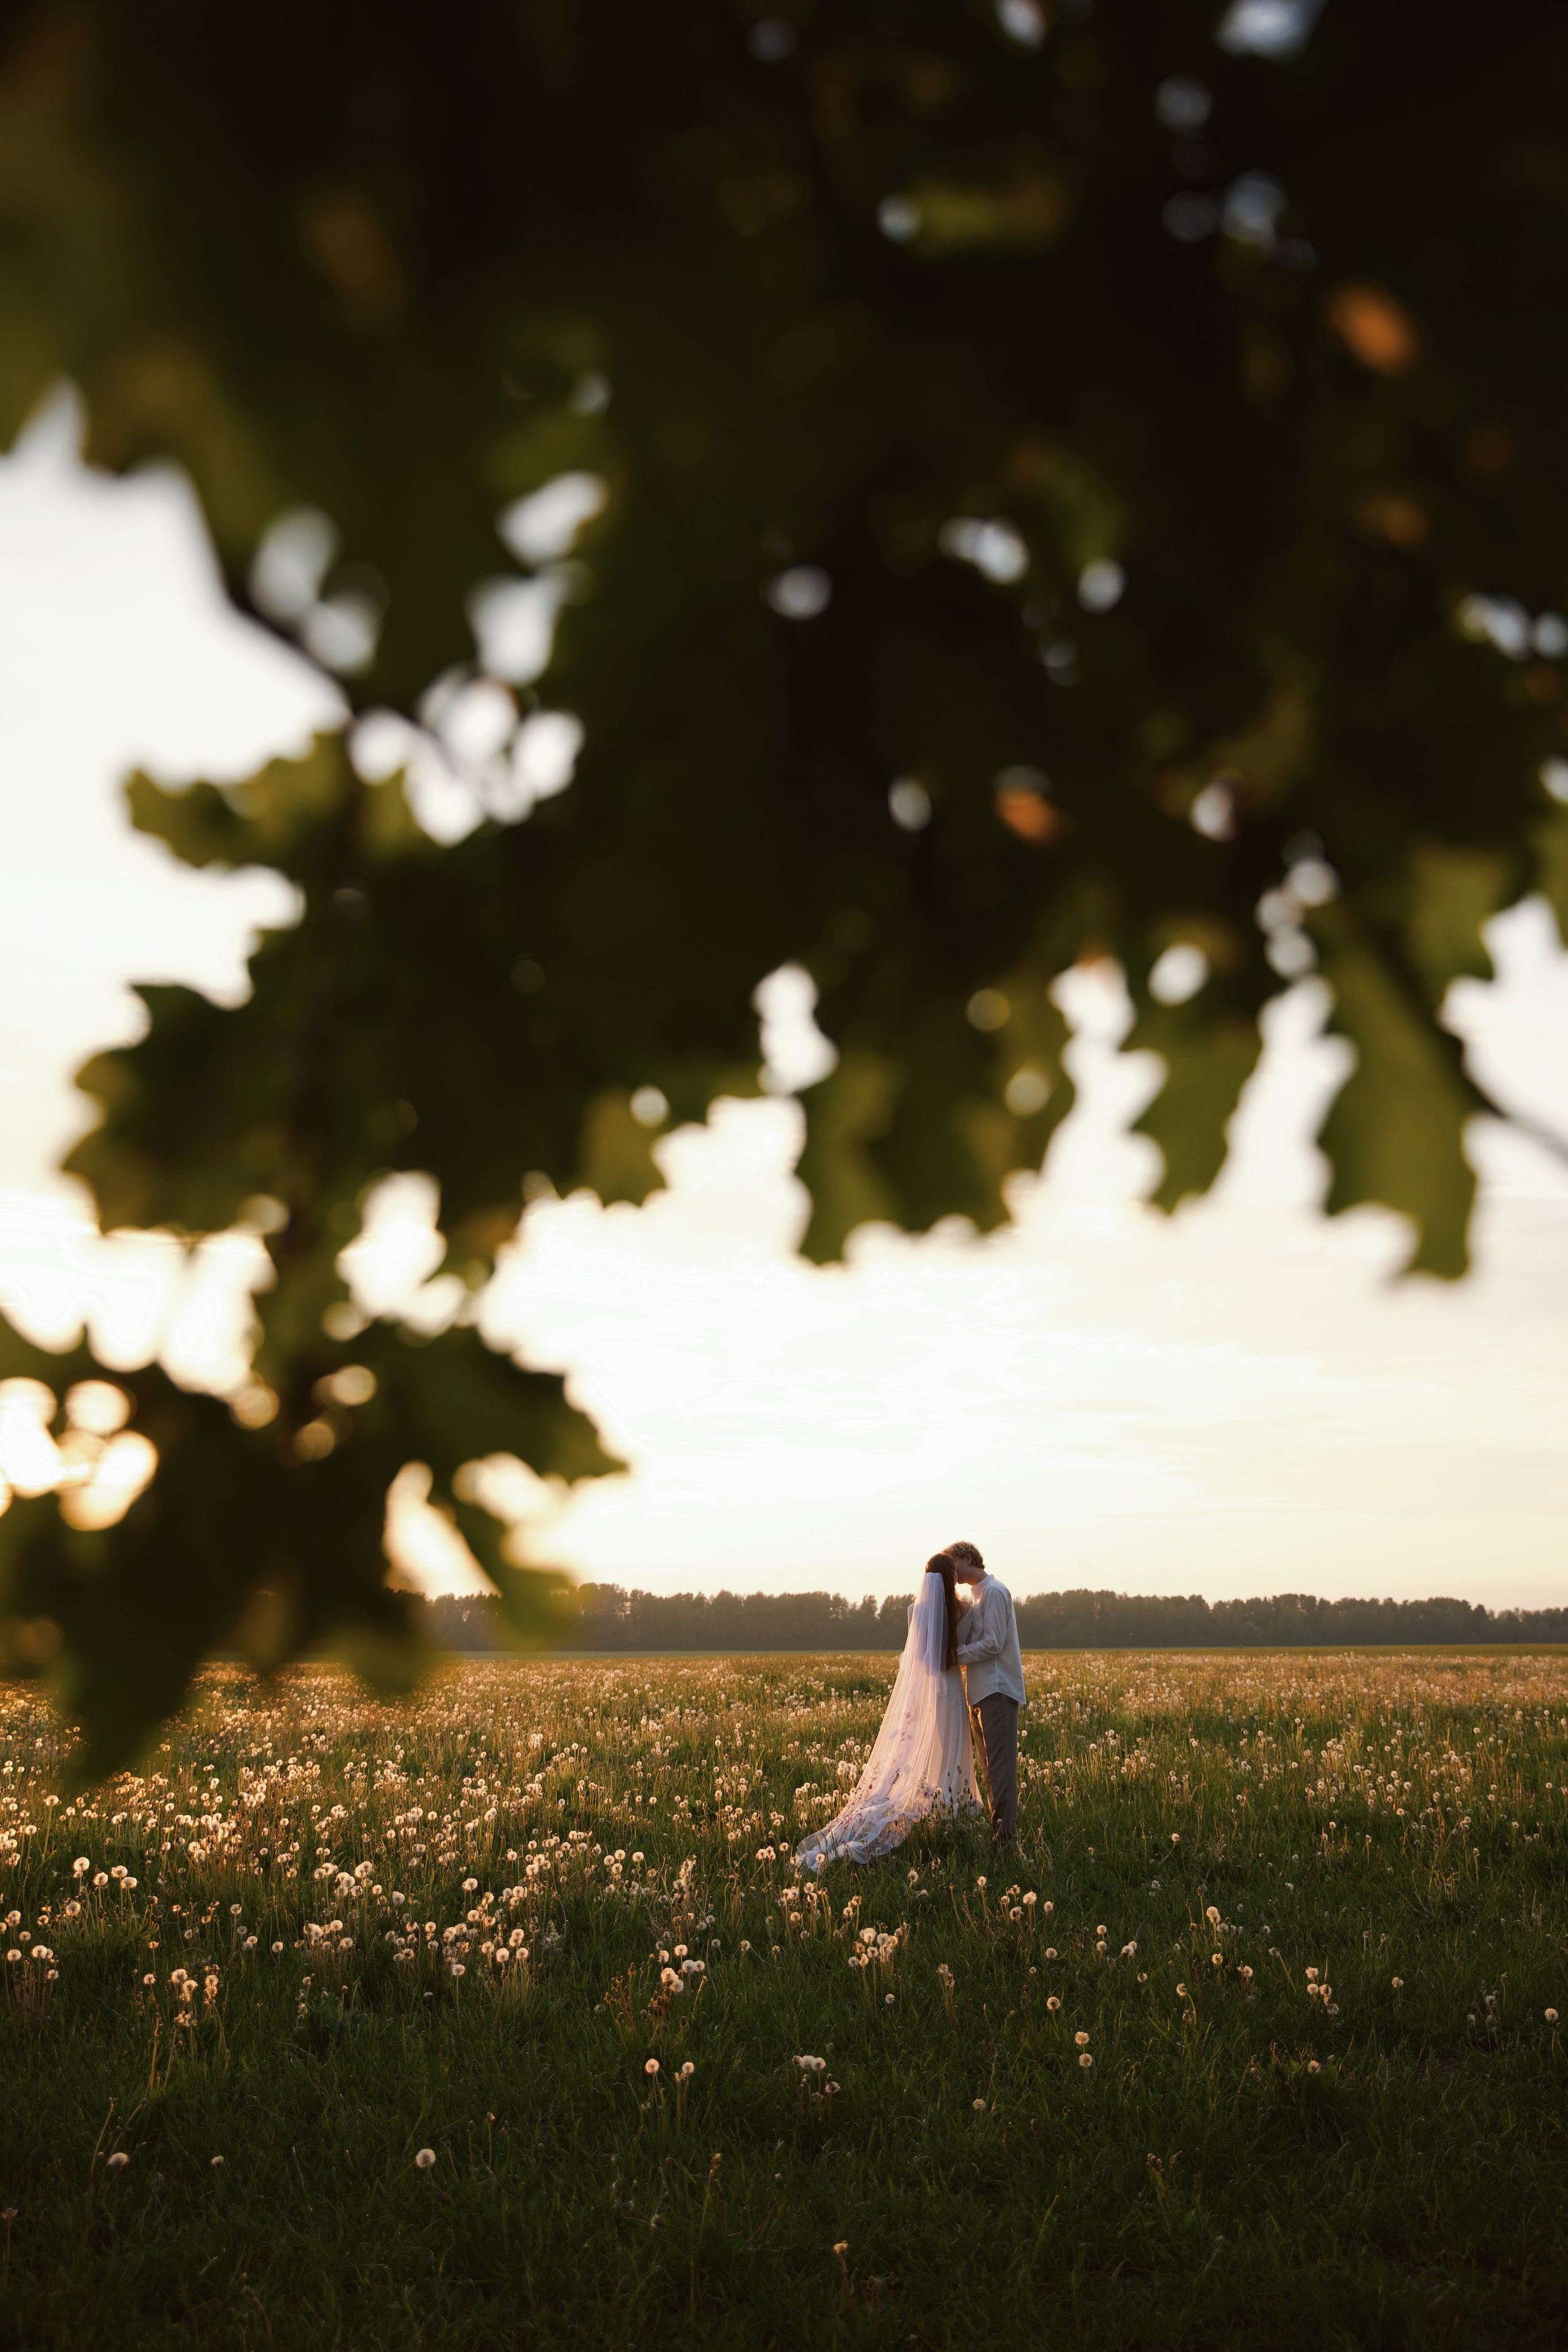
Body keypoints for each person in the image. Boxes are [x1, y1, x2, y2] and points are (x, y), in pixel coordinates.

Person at [794, 1555, 980, 1871]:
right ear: (952, 1577)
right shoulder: (967, 1611)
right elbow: (967, 1651)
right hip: (950, 1687)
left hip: (926, 1692)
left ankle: (924, 1807)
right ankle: (954, 1810)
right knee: (952, 1748)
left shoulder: (915, 1611)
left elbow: (913, 1661)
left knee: (926, 1748)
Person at [949, 1539, 1025, 1848]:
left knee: (1001, 1768)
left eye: (954, 1566)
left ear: (968, 1558)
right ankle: (999, 1833)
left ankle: (1005, 1838)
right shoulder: (977, 1596)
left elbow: (994, 1643)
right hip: (980, 1692)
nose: (952, 1574)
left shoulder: (994, 1592)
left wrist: (955, 1655)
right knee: (989, 1769)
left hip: (997, 1689)